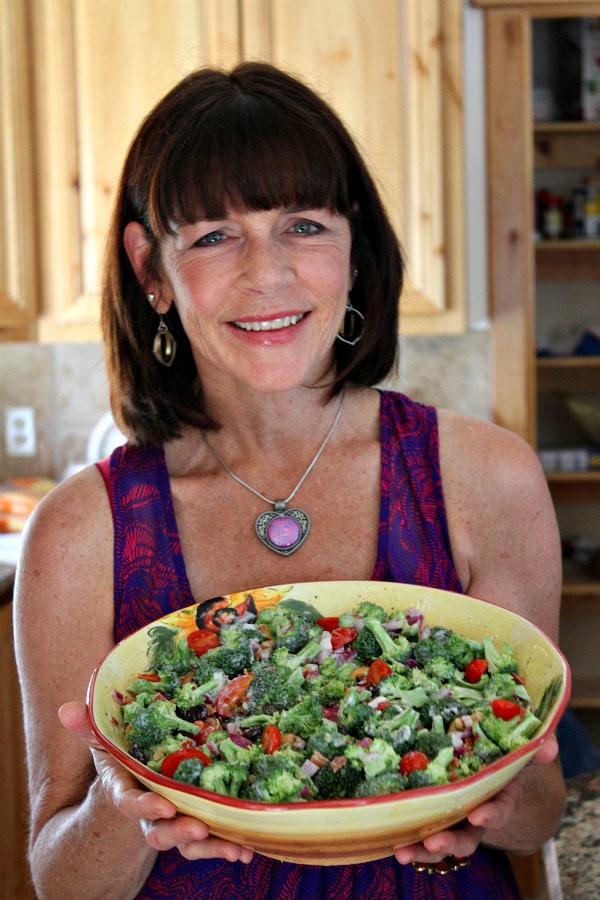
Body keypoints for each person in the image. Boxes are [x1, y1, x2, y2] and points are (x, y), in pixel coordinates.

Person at [14, 62, 565, 900]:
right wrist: (117, 806)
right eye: (212, 236)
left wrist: (499, 795)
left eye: (302, 225)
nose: (265, 273)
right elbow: (57, 878)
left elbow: (542, 815)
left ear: (355, 249)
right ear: (149, 269)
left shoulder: (487, 479)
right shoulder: (79, 532)